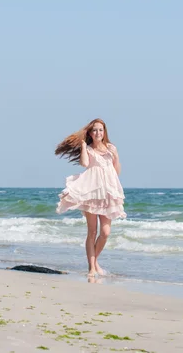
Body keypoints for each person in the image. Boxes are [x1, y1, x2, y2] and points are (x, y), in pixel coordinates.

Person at [55, 118, 126, 278]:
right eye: (95, 130)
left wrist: (116, 157)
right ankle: (91, 268)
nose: (98, 133)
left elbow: (117, 172)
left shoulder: (111, 148)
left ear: (104, 132)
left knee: (106, 232)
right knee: (92, 231)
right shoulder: (88, 148)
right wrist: (82, 147)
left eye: (100, 130)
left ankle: (95, 263)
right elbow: (85, 164)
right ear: (90, 133)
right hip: (92, 193)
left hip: (108, 193)